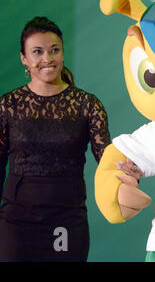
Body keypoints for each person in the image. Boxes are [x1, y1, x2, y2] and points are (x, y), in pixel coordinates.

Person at [0, 16, 111, 261]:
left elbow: (108, 161)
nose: (47, 59)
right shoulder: (8, 105)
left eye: (54, 50)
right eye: (37, 52)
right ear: (24, 59)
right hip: (16, 222)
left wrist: (128, 171)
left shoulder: (88, 104)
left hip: (67, 220)